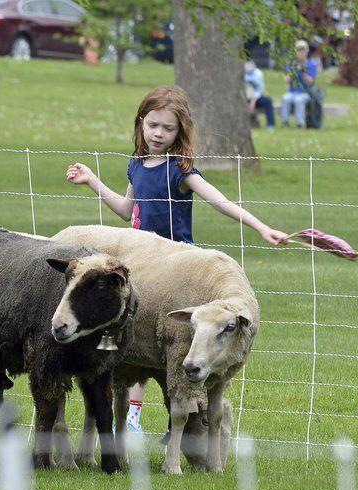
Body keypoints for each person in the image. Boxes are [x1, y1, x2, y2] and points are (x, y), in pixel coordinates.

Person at [65, 85, 288, 432]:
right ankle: (135, 416)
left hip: (177, 271)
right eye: (153, 125)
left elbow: (219, 201)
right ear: (141, 123)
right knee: (136, 339)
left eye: (168, 128)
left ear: (179, 132)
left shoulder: (180, 171)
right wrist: (92, 180)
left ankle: (180, 422)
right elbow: (127, 211)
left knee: (177, 345)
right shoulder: (136, 166)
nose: (158, 133)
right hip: (143, 267)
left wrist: (260, 227)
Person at [281, 39, 318, 129]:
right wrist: (293, 71)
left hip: (305, 92)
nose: (300, 53)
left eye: (303, 51)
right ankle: (285, 122)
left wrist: (303, 73)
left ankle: (300, 124)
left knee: (299, 100)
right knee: (285, 98)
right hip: (292, 92)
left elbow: (310, 82)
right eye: (298, 51)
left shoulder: (311, 65)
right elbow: (285, 80)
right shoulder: (290, 64)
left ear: (307, 52)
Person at [244, 60, 275, 130]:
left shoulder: (258, 73)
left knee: (268, 101)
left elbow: (259, 89)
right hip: (244, 97)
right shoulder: (241, 73)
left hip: (256, 98)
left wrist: (253, 101)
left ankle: (270, 125)